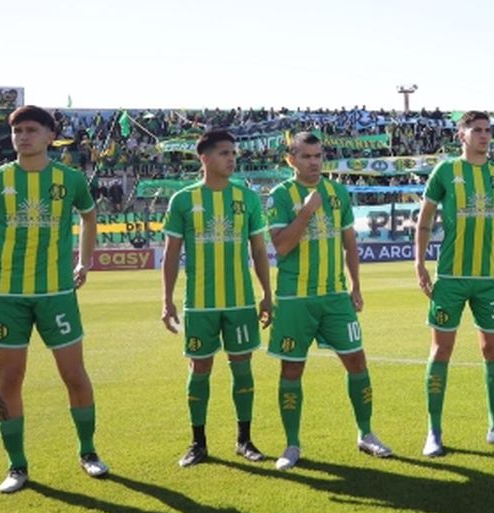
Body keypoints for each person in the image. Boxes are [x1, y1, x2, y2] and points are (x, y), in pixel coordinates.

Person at [0, 105, 106, 494]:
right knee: (9, 378)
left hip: (57, 294)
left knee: (73, 375)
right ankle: (17, 466)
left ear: (49, 136)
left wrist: (85, 261)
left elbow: (89, 217)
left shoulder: (70, 178)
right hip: (8, 294)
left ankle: (89, 452)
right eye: (17, 131)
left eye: (31, 130)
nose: (23, 136)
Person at [266, 132, 391, 471]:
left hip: (335, 296)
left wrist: (356, 286)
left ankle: (366, 433)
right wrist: (305, 213)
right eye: (306, 156)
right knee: (292, 368)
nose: (314, 162)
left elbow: (350, 243)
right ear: (291, 160)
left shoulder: (337, 193)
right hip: (295, 299)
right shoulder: (280, 196)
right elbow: (281, 246)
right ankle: (292, 445)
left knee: (357, 362)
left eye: (318, 155)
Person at [413, 111, 494, 456]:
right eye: (477, 130)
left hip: (489, 279)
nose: (484, 136)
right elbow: (425, 219)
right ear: (461, 135)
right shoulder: (446, 171)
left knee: (493, 350)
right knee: (440, 351)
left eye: (488, 131)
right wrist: (419, 263)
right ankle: (433, 432)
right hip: (451, 278)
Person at [161, 129, 273, 467]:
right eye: (224, 153)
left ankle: (244, 440)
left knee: (242, 370)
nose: (232, 158)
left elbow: (258, 249)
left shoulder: (247, 198)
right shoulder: (183, 200)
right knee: (200, 369)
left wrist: (267, 295)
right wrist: (166, 300)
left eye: (233, 152)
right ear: (204, 158)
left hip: (240, 301)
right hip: (200, 304)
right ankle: (198, 443)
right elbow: (170, 254)